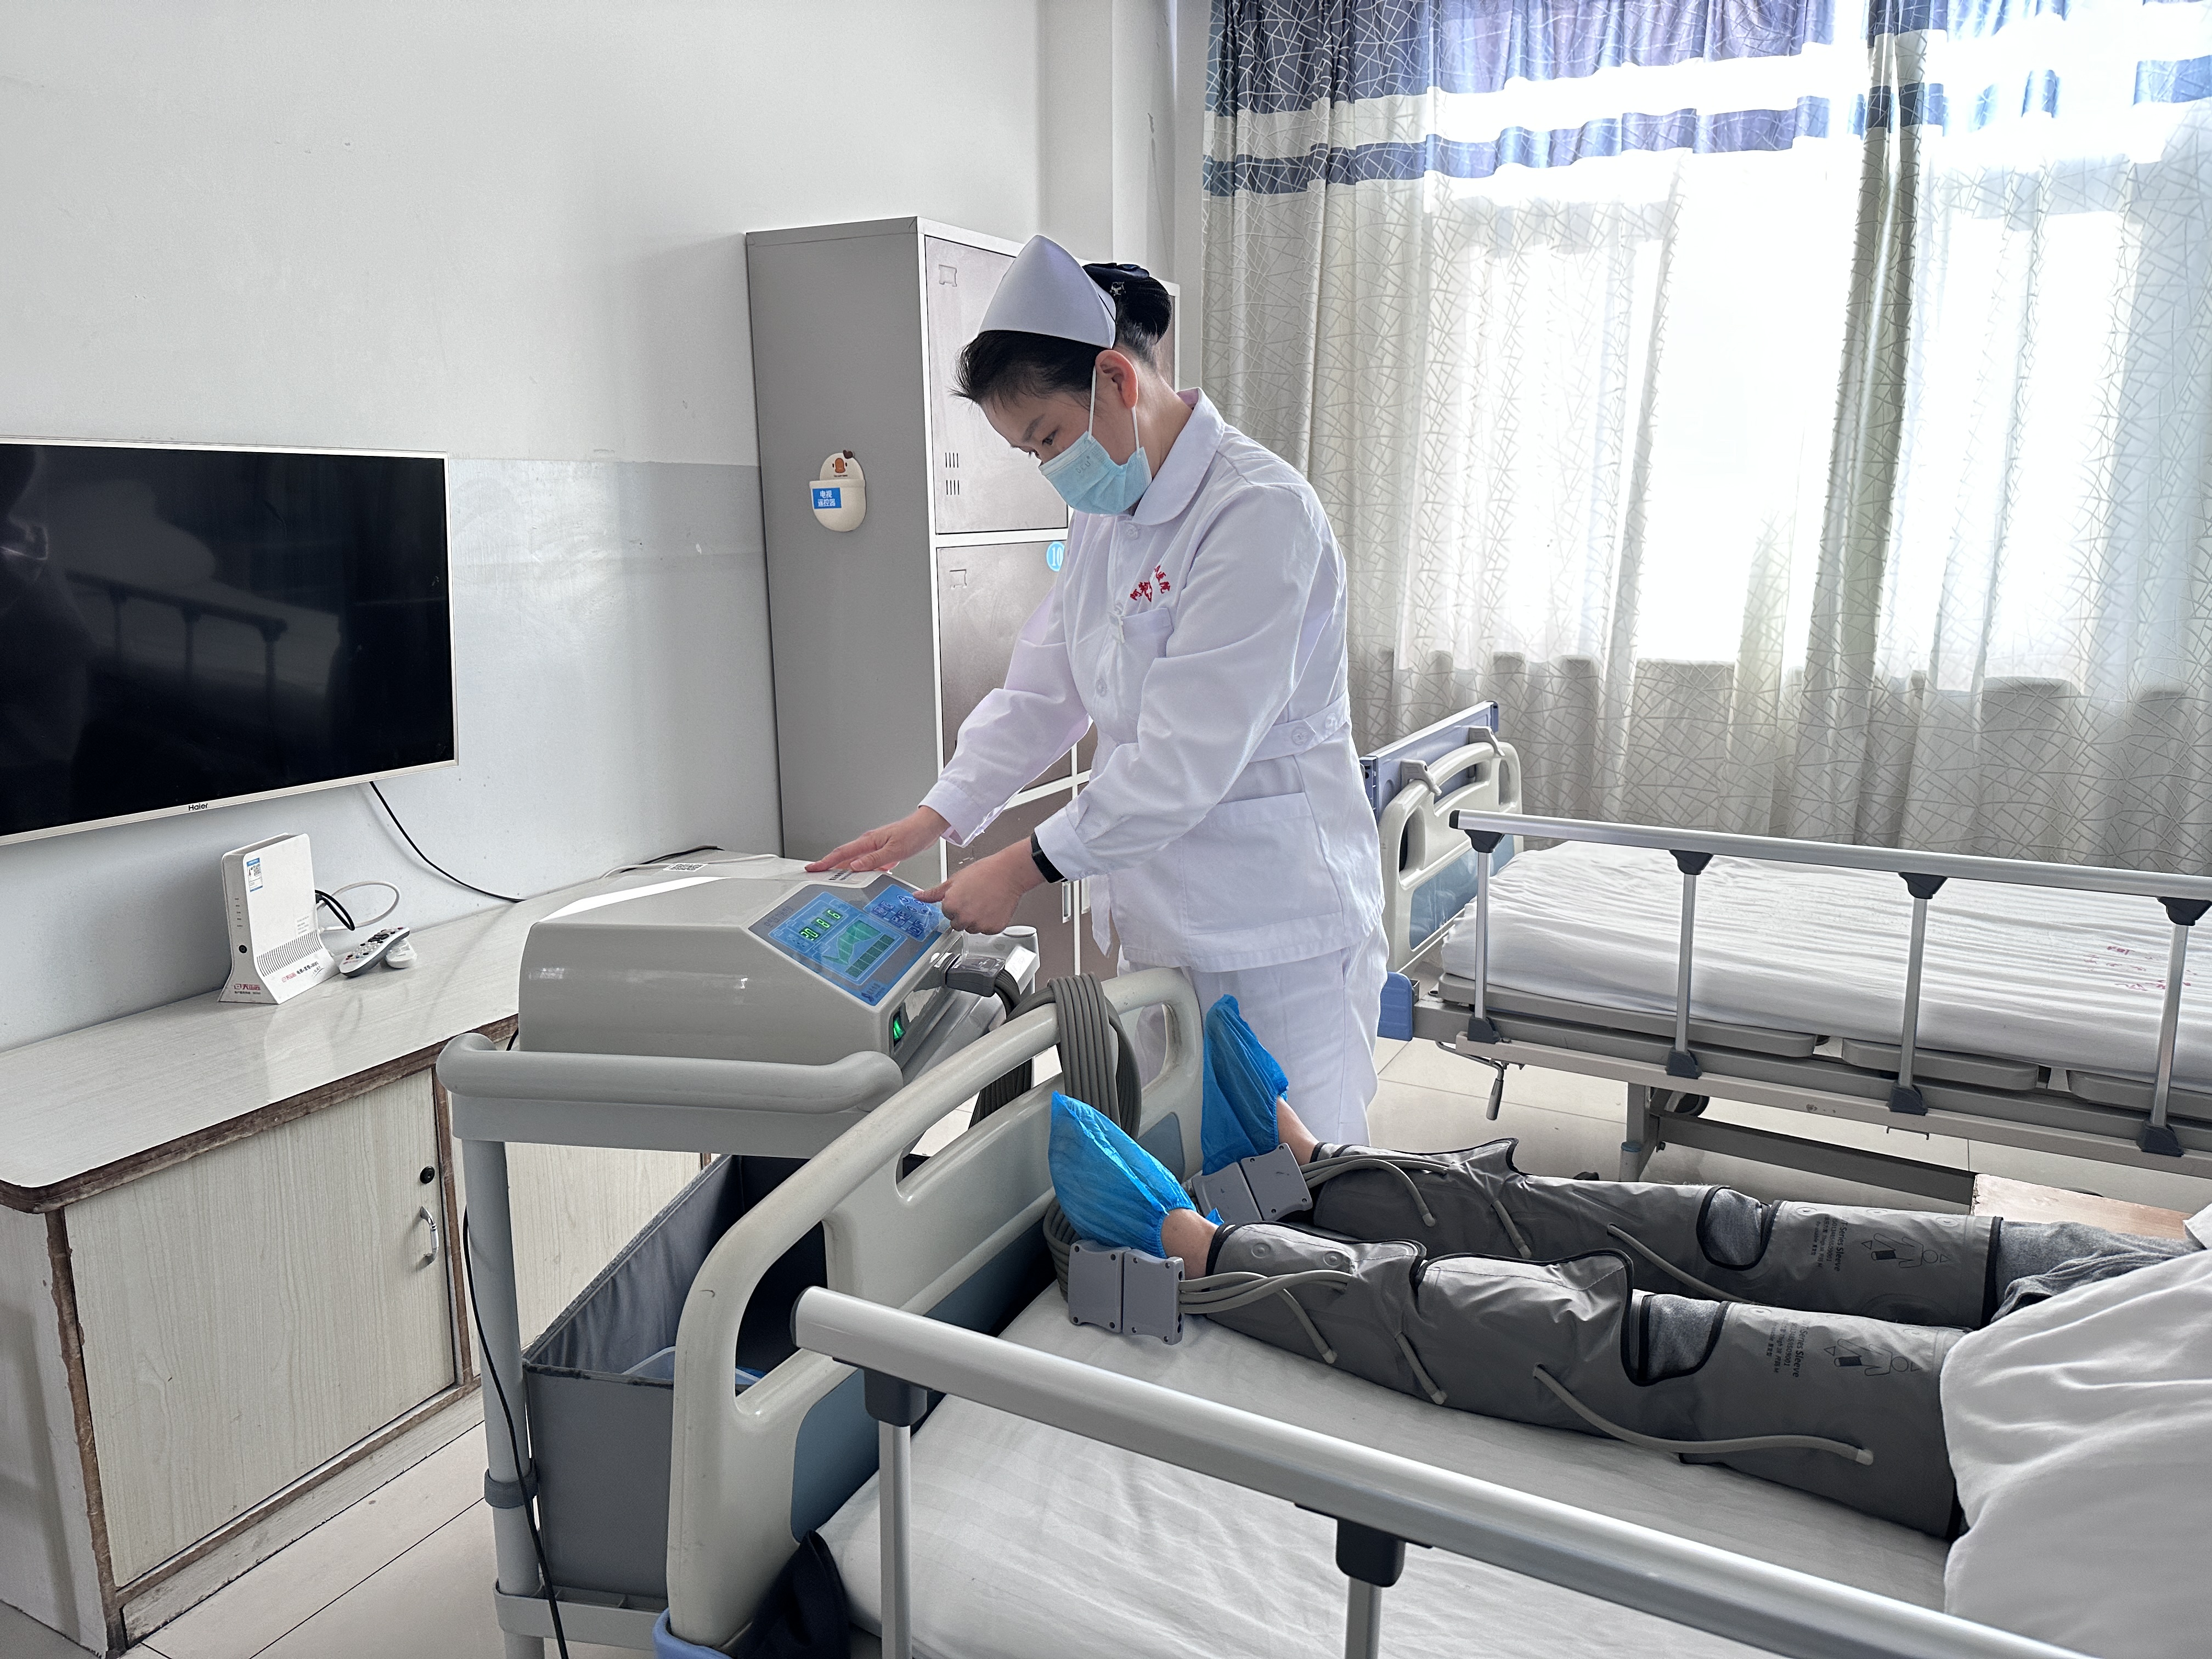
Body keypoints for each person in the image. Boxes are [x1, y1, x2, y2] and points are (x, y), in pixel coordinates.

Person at [1043, 998, 2200, 1536]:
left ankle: (1208, 1250)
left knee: (1630, 1346)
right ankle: (1321, 1175)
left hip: (2078, 1453)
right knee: (1732, 1230)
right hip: (2158, 1301)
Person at [806, 235, 1386, 1145]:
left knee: (1304, 1185)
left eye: (1047, 437)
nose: (1049, 468)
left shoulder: (1257, 513)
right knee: (1190, 1172)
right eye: (1028, 451)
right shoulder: (1105, 516)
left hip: (1276, 929)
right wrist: (936, 816)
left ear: (1115, 378)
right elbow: (1046, 689)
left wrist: (1019, 868)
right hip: (1163, 921)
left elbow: (1182, 761)